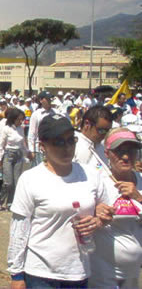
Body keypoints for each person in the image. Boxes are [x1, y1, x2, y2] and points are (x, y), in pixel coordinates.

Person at [7, 114, 107, 289]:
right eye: (59, 142)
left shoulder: (91, 175)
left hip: (79, 271)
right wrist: (16, 274)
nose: (67, 148)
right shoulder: (30, 179)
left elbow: (105, 210)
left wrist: (99, 220)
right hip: (41, 273)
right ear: (43, 146)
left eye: (71, 141)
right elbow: (19, 229)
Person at [89, 128, 142, 288]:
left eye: (131, 151)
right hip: (102, 273)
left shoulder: (140, 181)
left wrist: (138, 197)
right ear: (107, 154)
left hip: (132, 273)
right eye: (119, 152)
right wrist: (95, 211)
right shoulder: (97, 182)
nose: (126, 157)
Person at [0, 108, 28, 211]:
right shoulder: (6, 129)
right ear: (13, 119)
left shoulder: (21, 129)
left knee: (16, 182)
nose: (21, 121)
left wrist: (27, 153)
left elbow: (22, 144)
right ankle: (0, 201)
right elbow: (1, 145)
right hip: (8, 155)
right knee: (8, 182)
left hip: (18, 156)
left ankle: (10, 203)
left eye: (22, 119)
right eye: (19, 119)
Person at [27, 91, 56, 166]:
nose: (49, 100)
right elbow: (32, 133)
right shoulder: (36, 114)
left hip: (51, 148)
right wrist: (32, 150)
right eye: (47, 99)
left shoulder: (55, 113)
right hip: (39, 149)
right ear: (41, 100)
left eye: (50, 98)